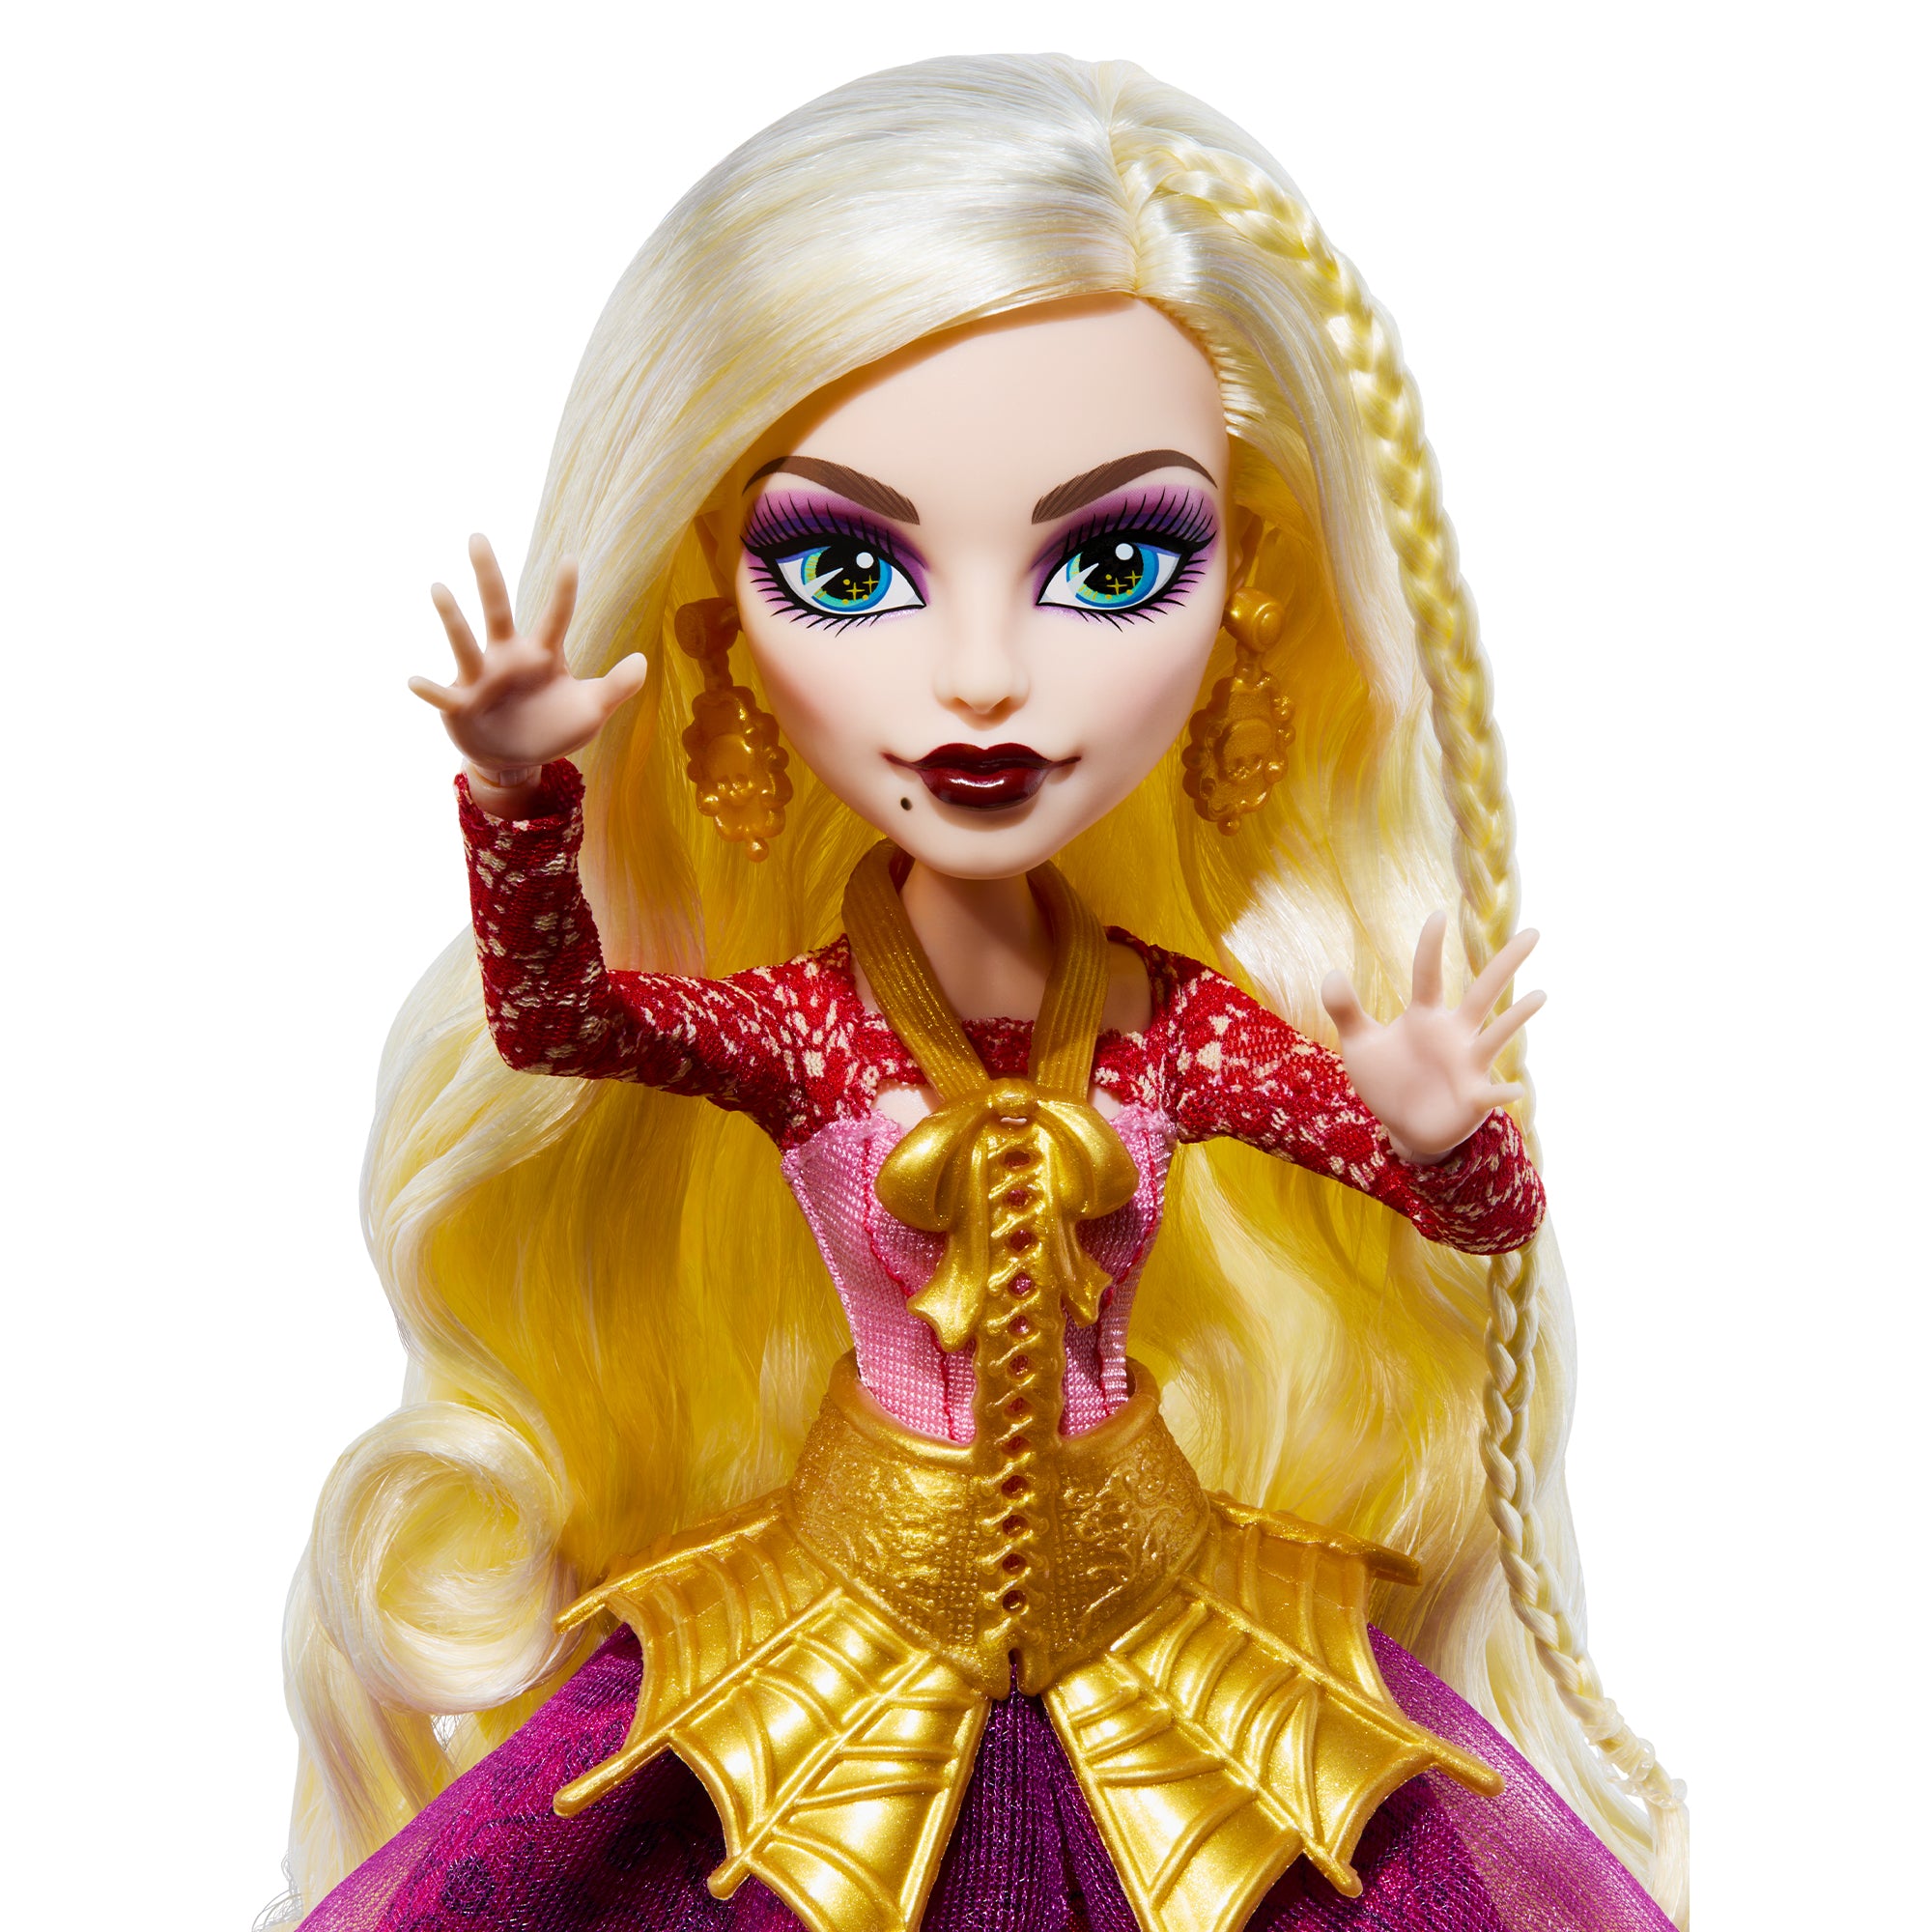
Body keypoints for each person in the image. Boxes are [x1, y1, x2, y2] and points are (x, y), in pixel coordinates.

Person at [276, 54, 1684, 1932]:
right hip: (836, 1640)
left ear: (1244, 603)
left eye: (1114, 562)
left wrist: (1443, 1134)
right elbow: (561, 1023)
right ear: (720, 616)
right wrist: (524, 798)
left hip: (1170, 1639)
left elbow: (1479, 1219)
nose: (984, 677)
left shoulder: (1169, 1030)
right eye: (849, 567)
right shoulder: (809, 1031)